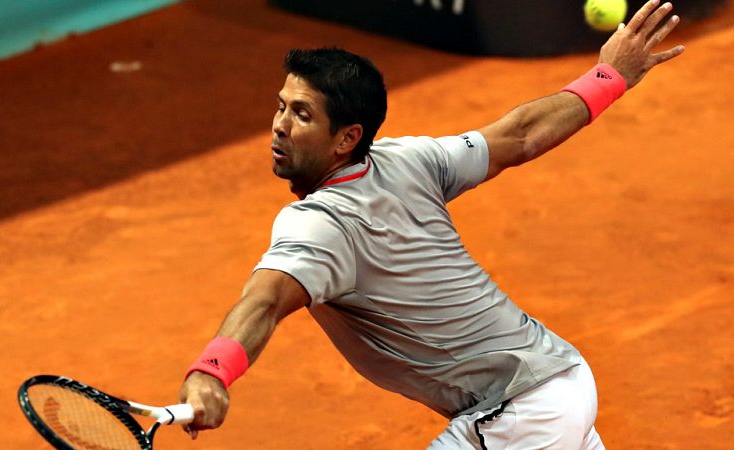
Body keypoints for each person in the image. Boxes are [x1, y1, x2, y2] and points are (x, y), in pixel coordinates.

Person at [178, 1, 684, 448]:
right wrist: (609, 76)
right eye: (281, 106)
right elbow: (518, 136)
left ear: (346, 138)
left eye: (302, 115)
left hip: (520, 410)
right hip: (560, 383)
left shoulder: (319, 225)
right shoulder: (409, 159)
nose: (279, 125)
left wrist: (211, 373)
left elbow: (265, 302)